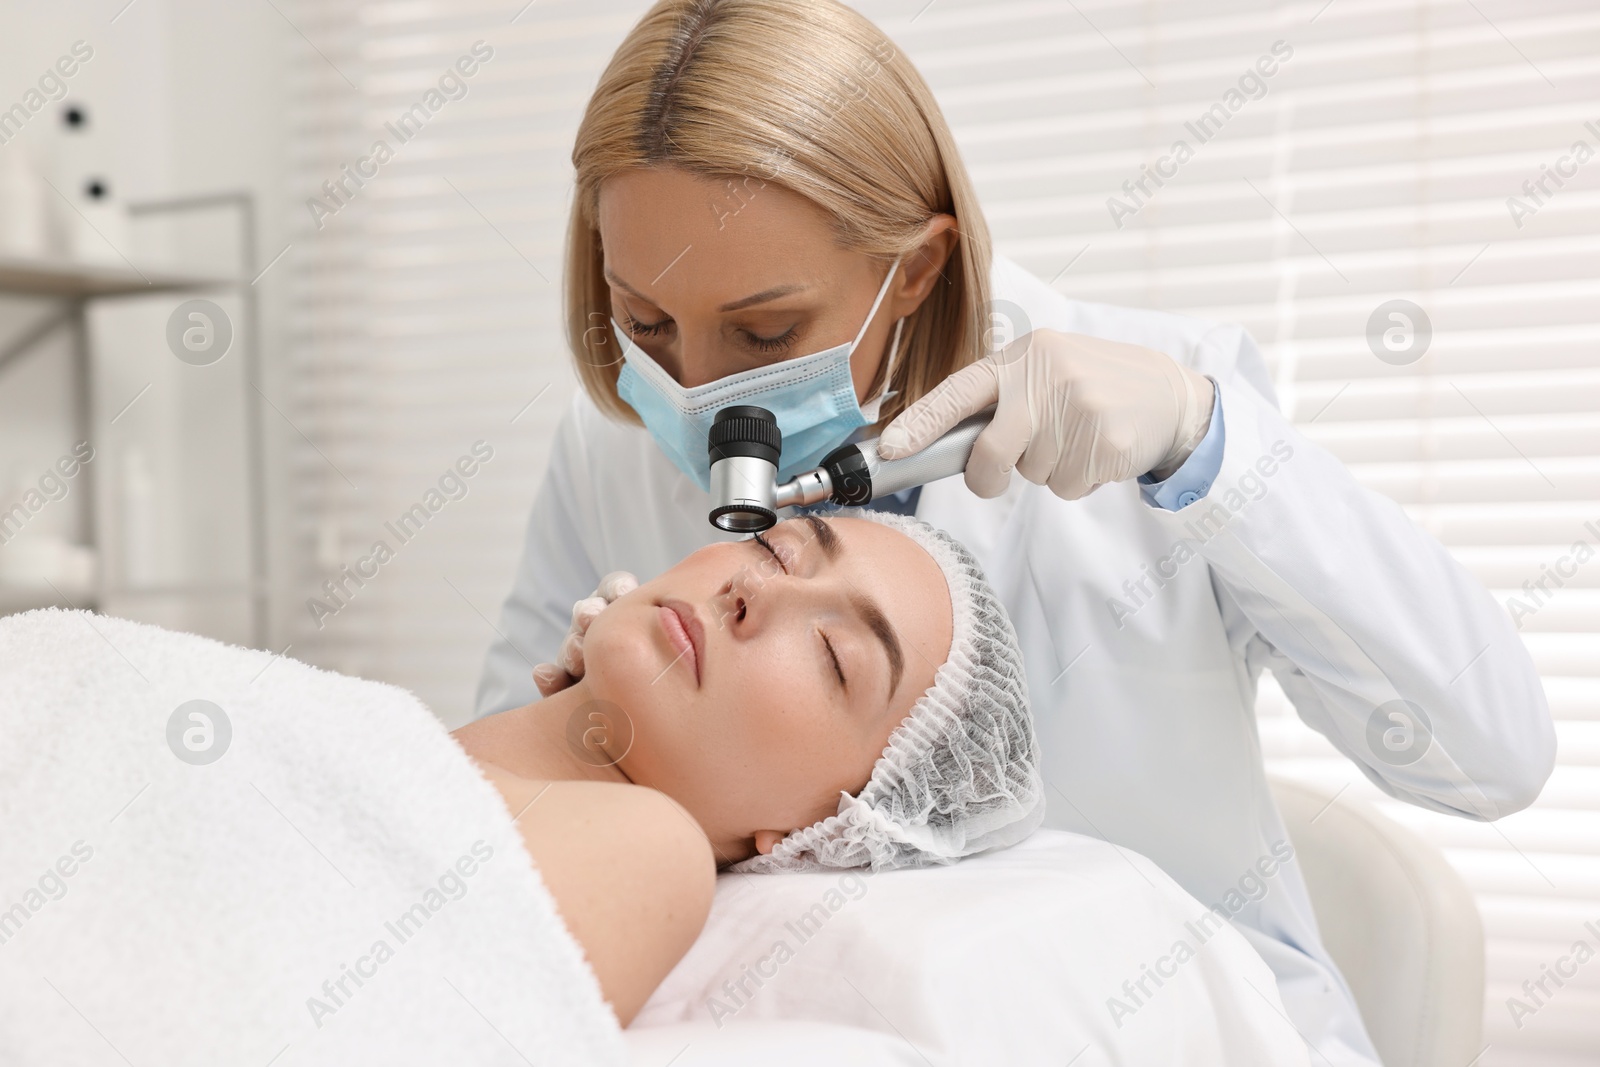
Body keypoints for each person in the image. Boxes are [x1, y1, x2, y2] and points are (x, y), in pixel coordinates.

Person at [475, 1, 1556, 1061]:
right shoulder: (610, 442)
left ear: (916, 268)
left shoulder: (1153, 407)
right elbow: (485, 838)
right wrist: (578, 713)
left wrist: (1209, 446)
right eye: (648, 322)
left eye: (767, 328)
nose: (701, 393)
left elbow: (1490, 756)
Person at [455, 510, 1042, 1025]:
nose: (754, 588)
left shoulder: (655, 853)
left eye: (833, 655)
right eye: (775, 550)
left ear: (815, 835)